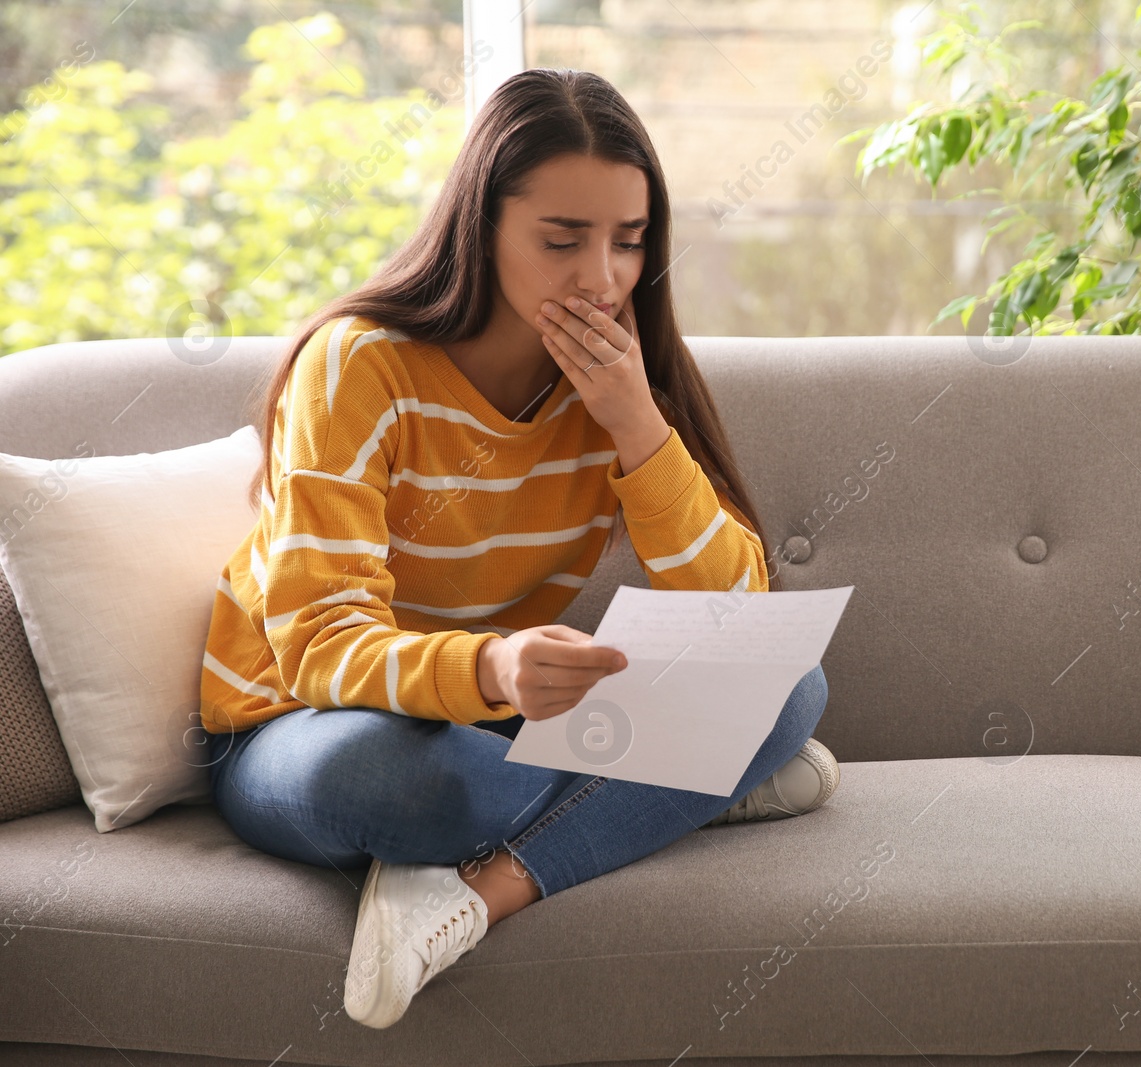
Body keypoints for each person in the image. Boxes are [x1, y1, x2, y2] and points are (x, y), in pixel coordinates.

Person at [195, 67, 837, 1031]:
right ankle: (679, 791)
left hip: (488, 716)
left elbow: (736, 607)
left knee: (788, 684)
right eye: (561, 239)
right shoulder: (359, 364)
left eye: (629, 241)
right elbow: (320, 643)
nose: (601, 278)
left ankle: (481, 892)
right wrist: (495, 664)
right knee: (429, 783)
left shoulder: (621, 376)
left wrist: (636, 425)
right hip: (299, 721)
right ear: (480, 227)